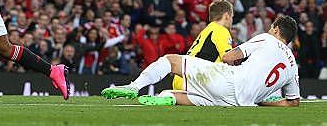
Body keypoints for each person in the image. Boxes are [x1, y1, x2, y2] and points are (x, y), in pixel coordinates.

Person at [101, 15, 300, 107]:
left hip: (228, 81)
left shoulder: (266, 38)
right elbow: (293, 103)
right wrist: (262, 101)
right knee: (179, 95)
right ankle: (165, 97)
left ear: (275, 29)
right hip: (243, 103)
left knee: (170, 60)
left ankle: (134, 87)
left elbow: (228, 57)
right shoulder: (293, 65)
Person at [172, 0, 234, 90]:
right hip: (194, 81)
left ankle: (169, 97)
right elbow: (228, 59)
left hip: (181, 77)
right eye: (232, 16)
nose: (232, 20)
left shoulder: (207, 29)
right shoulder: (221, 30)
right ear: (226, 16)